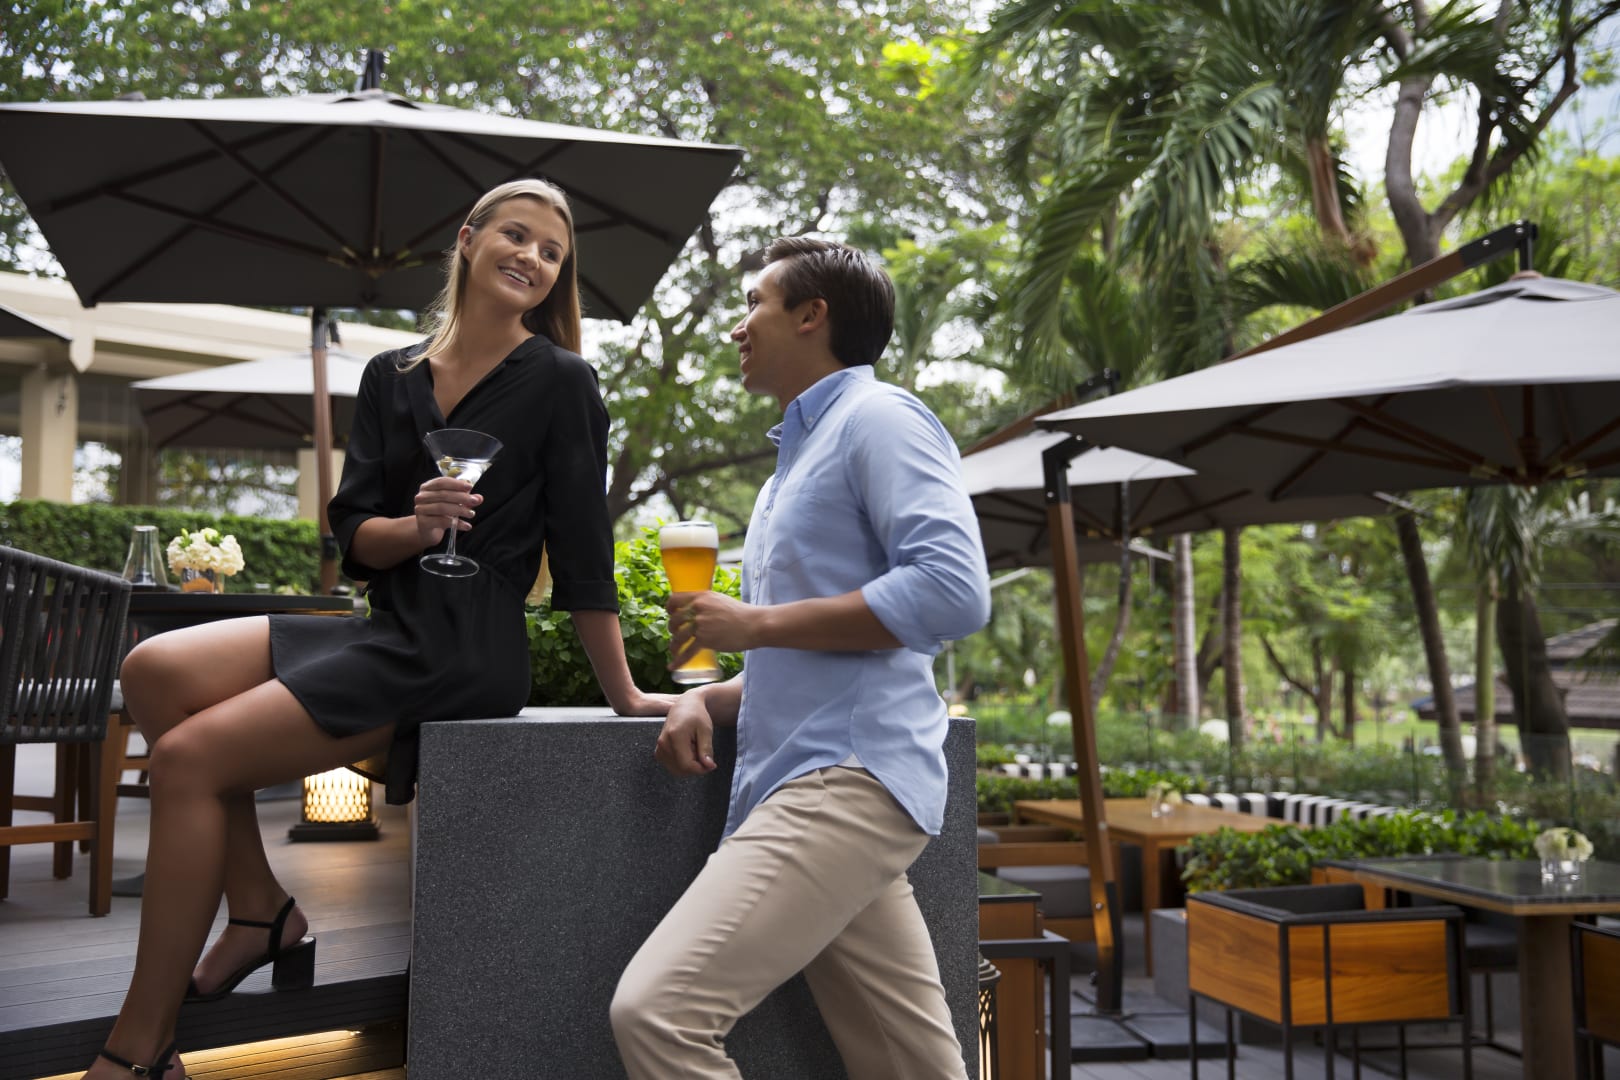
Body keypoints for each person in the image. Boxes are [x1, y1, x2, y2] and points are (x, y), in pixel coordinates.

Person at [84, 178, 673, 1080]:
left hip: (464, 651)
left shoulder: (561, 381)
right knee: (154, 670)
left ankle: (141, 1047)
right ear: (469, 240)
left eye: (552, 253)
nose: (533, 258)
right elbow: (353, 533)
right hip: (387, 623)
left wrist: (623, 691)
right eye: (516, 235)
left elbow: (585, 552)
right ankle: (259, 907)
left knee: (188, 761)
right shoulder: (390, 375)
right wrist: (418, 525)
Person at [610, 237, 991, 1079]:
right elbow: (801, 657)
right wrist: (705, 697)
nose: (738, 326)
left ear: (813, 315)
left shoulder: (881, 418)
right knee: (913, 1066)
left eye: (756, 302)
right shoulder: (790, 469)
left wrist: (757, 623)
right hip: (816, 782)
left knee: (660, 1014)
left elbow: (953, 592)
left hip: (842, 781)